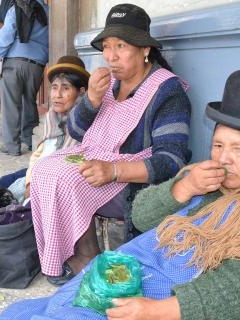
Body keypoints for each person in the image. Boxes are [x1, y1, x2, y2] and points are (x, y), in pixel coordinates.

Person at [0, 69, 240, 320]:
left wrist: (154, 311)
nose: (224, 158)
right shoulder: (203, 178)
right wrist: (184, 187)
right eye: (218, 145)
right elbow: (142, 215)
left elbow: (238, 292)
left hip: (186, 304)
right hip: (140, 270)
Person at [30, 3, 191, 286]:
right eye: (106, 46)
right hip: (100, 160)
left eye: (121, 46)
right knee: (44, 170)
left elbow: (172, 160)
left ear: (144, 50)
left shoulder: (168, 91)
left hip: (135, 181)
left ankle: (86, 255)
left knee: (69, 179)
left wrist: (114, 171)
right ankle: (71, 251)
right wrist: (91, 99)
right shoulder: (110, 85)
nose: (111, 57)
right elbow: (77, 132)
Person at [0, 55, 89, 203]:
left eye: (66, 88)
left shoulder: (84, 123)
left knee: (14, 210)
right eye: (54, 87)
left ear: (81, 92)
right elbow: (37, 155)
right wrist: (30, 182)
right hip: (36, 174)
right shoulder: (53, 118)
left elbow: (75, 164)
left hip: (54, 186)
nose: (57, 95)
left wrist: (36, 186)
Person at [0, 0, 49, 156]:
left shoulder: (16, 9)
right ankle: (31, 141)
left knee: (11, 105)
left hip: (14, 63)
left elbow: (6, 37)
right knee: (29, 101)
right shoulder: (47, 11)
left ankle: (11, 146)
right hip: (37, 65)